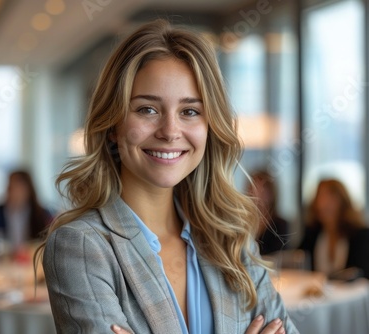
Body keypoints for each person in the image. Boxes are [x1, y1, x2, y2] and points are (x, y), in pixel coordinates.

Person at [37, 20, 297, 334]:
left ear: (209, 126)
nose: (170, 132)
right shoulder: (81, 245)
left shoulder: (230, 239)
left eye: (189, 111)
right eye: (147, 109)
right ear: (112, 127)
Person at [299, 179, 369, 278]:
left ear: (343, 202)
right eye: (321, 197)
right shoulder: (312, 233)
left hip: (351, 293)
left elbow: (362, 274)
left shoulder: (361, 235)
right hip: (315, 293)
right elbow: (297, 260)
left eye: (331, 198)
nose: (324, 203)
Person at [0, 169, 53, 251]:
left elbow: (48, 243)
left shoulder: (41, 214)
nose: (11, 191)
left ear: (28, 190)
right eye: (10, 186)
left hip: (29, 263)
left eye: (18, 188)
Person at [247, 170, 289, 255]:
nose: (256, 193)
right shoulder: (243, 222)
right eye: (253, 187)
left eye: (261, 189)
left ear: (271, 193)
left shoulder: (280, 224)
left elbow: (277, 256)